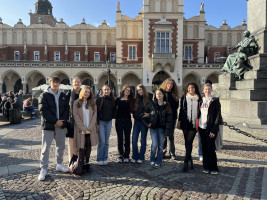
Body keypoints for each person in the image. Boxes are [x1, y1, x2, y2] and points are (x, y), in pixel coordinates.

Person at [38, 76, 69, 181]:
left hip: (60, 125)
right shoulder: (44, 95)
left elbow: (66, 109)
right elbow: (43, 110)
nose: (55, 84)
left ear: (59, 84)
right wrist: (55, 121)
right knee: (45, 148)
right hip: (48, 126)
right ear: (49, 83)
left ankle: (59, 164)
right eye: (53, 82)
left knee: (60, 146)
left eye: (57, 82)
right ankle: (43, 169)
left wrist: (62, 121)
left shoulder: (63, 95)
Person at [143, 88, 172, 168]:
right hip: (153, 128)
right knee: (154, 144)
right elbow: (143, 115)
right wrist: (147, 123)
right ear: (155, 95)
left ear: (163, 95)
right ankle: (152, 159)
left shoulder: (167, 105)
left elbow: (169, 120)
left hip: (162, 129)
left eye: (160, 94)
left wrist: (167, 131)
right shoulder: (151, 104)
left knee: (161, 146)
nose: (158, 95)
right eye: (157, 94)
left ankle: (158, 161)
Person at [198, 83, 222, 175]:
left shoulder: (215, 101)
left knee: (210, 148)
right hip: (201, 127)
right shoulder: (201, 100)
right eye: (206, 89)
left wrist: (214, 130)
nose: (207, 91)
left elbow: (218, 116)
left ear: (211, 90)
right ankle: (206, 167)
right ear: (203, 90)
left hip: (210, 128)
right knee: (204, 148)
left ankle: (214, 168)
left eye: (209, 89)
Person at [73, 86, 98, 173]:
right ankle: (81, 163)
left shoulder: (93, 103)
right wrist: (83, 127)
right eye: (85, 91)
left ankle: (87, 162)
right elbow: (75, 115)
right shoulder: (77, 103)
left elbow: (95, 116)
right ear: (82, 92)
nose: (86, 93)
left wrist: (90, 127)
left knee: (88, 146)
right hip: (81, 129)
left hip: (90, 129)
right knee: (82, 146)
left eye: (88, 92)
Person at [177, 82, 201, 172]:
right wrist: (179, 121)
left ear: (195, 89)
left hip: (194, 123)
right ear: (187, 89)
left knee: (189, 141)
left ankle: (185, 162)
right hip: (185, 122)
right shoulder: (183, 98)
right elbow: (181, 111)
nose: (191, 89)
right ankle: (189, 159)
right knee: (187, 142)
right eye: (190, 88)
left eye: (193, 88)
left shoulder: (199, 99)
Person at [96, 84, 115, 165]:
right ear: (102, 91)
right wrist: (97, 123)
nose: (106, 91)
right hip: (101, 122)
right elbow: (95, 112)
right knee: (102, 141)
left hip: (109, 122)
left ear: (110, 90)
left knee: (106, 142)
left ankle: (105, 158)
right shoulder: (99, 99)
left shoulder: (112, 100)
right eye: (105, 89)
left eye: (108, 89)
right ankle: (99, 158)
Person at [160, 78, 179, 159]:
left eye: (171, 84)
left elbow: (176, 106)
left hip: (173, 117)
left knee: (171, 136)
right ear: (165, 84)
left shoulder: (175, 95)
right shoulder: (162, 93)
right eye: (168, 83)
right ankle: (163, 152)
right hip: (163, 118)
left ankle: (172, 153)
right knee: (164, 136)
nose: (170, 85)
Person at [115, 85, 134, 163]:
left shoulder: (131, 100)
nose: (127, 91)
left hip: (127, 120)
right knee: (120, 138)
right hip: (119, 120)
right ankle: (120, 155)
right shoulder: (118, 100)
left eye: (129, 90)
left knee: (127, 138)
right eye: (126, 90)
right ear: (123, 90)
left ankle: (126, 155)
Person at [131, 84, 151, 164]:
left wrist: (148, 115)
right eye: (138, 90)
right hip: (137, 121)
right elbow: (134, 112)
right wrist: (140, 116)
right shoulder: (135, 99)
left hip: (144, 123)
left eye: (140, 90)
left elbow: (151, 111)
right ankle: (134, 156)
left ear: (143, 89)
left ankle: (141, 156)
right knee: (134, 139)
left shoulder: (148, 99)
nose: (139, 91)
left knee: (143, 140)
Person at [66, 77, 82, 162]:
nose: (77, 83)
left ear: (81, 83)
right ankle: (71, 160)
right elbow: (65, 107)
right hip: (71, 121)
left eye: (78, 82)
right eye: (75, 82)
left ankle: (79, 160)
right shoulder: (69, 93)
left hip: (81, 121)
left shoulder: (83, 93)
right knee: (71, 141)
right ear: (72, 84)